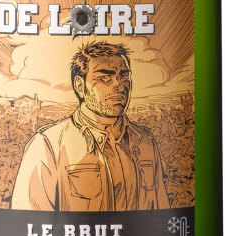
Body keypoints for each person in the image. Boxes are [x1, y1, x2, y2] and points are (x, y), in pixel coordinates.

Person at [9, 40, 170, 212]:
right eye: (105, 78)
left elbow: (162, 213)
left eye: (123, 77)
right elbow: (26, 220)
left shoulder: (145, 141)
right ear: (80, 85)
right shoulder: (47, 144)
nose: (119, 85)